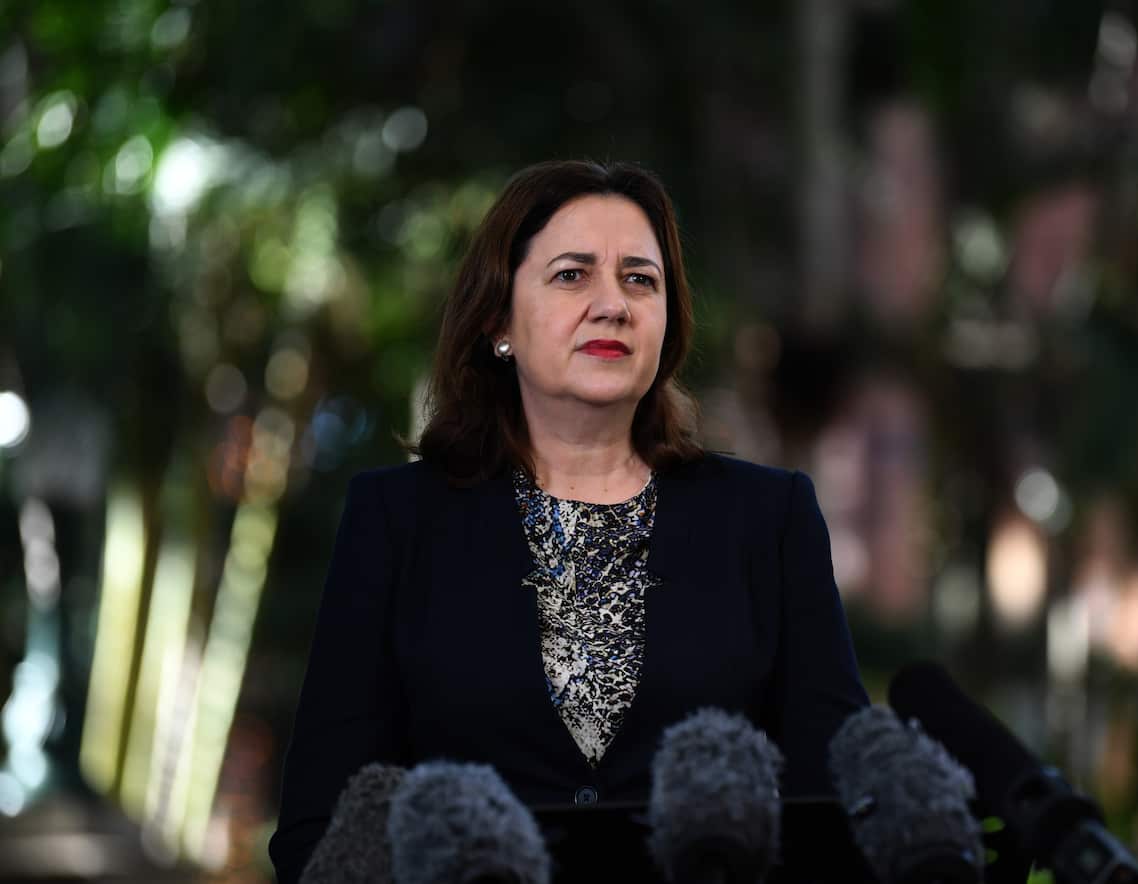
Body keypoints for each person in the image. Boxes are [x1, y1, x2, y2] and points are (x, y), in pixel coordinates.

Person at [268, 159, 869, 882]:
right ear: (499, 321)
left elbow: (835, 802)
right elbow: (321, 824)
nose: (612, 304)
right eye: (572, 275)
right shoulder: (396, 520)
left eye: (639, 279)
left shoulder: (769, 519)